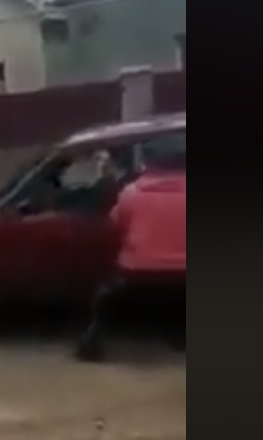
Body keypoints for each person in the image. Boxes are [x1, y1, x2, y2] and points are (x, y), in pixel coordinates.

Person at [75, 139, 186, 362]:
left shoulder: (131, 192)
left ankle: (91, 343)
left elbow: (115, 224)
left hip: (137, 272)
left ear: (149, 164)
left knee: (104, 296)